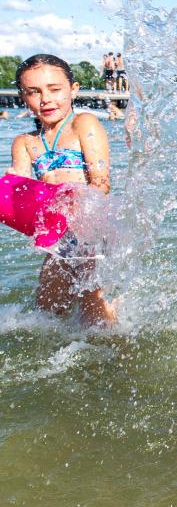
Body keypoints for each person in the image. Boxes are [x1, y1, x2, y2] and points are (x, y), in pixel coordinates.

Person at [8, 54, 116, 325]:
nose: (45, 99)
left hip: (90, 227)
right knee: (46, 309)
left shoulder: (84, 124)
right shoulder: (25, 142)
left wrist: (78, 210)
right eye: (34, 92)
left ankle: (116, 350)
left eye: (55, 89)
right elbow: (17, 187)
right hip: (57, 235)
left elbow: (101, 183)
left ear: (73, 90)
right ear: (23, 97)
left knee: (95, 309)